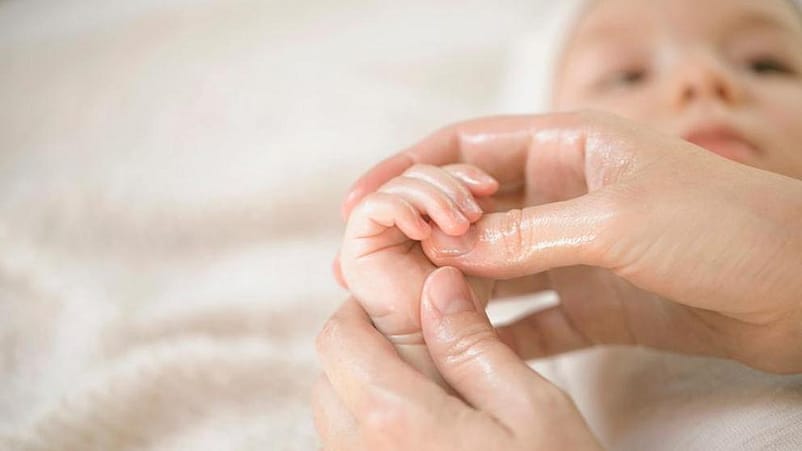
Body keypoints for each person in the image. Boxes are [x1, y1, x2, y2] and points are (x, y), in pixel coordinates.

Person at [315, 0, 802, 448]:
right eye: (626, 76)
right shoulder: (557, 336)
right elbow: (441, 423)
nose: (701, 76)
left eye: (767, 64)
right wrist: (418, 329)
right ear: (539, 158)